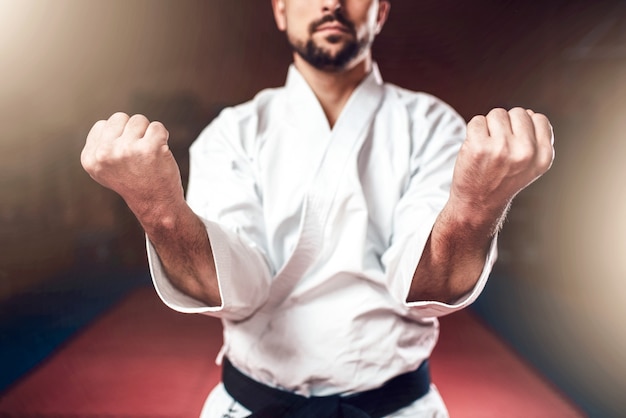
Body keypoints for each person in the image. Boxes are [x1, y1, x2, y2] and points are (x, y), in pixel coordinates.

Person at [80, 0, 555, 416]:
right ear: (281, 10)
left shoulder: (431, 124)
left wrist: (478, 205)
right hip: (254, 404)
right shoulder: (234, 131)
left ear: (380, 12)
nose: (331, 2)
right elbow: (234, 289)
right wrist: (157, 207)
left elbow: (426, 290)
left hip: (394, 407)